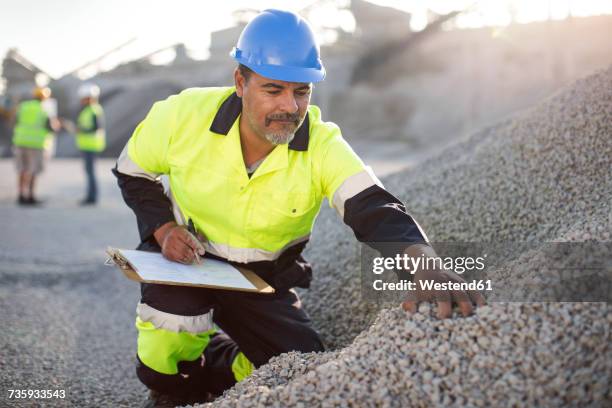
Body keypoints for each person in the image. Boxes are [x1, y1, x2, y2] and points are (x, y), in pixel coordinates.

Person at [113, 9, 485, 407]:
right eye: (274, 90)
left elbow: (374, 207)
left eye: (302, 91)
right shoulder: (181, 116)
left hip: (261, 281)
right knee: (168, 330)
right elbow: (132, 172)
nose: (290, 107)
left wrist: (421, 261)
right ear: (241, 82)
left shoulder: (322, 145)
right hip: (189, 263)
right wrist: (165, 230)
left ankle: (219, 361)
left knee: (301, 368)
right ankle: (174, 387)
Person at [12, 86, 59, 205]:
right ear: (44, 98)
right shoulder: (44, 110)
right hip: (36, 145)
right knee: (33, 170)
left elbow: (14, 121)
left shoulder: (23, 106)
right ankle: (31, 196)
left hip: (20, 142)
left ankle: (21, 195)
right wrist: (56, 125)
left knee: (22, 169)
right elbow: (52, 128)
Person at [75, 83, 105, 205]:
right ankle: (91, 196)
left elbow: (96, 127)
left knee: (90, 172)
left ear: (89, 97)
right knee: (89, 171)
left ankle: (91, 197)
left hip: (91, 146)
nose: (81, 100)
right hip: (87, 145)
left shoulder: (93, 110)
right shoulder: (88, 110)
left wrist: (81, 130)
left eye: (83, 98)